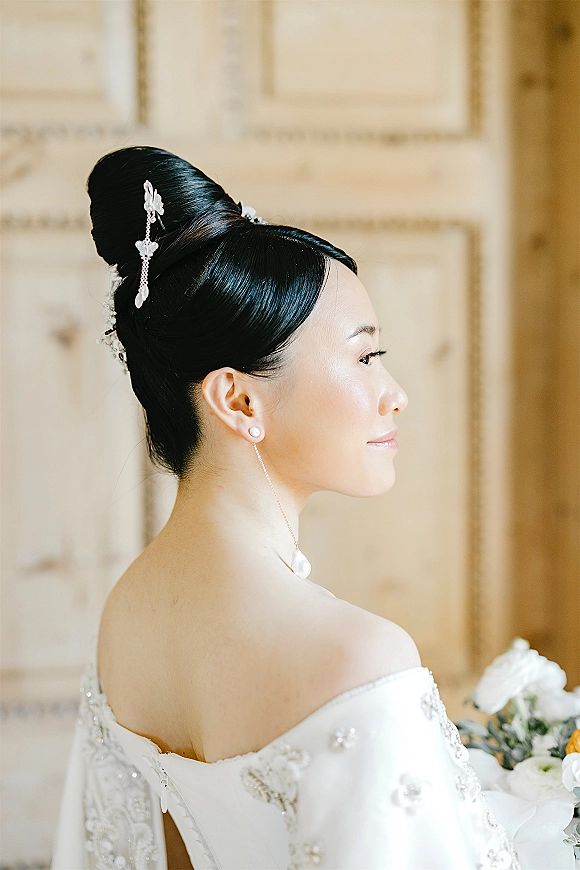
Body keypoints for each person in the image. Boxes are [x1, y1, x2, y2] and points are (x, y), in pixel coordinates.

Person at [51, 146, 519, 870]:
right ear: (239, 400)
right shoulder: (359, 660)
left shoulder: (126, 617)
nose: (396, 393)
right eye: (365, 359)